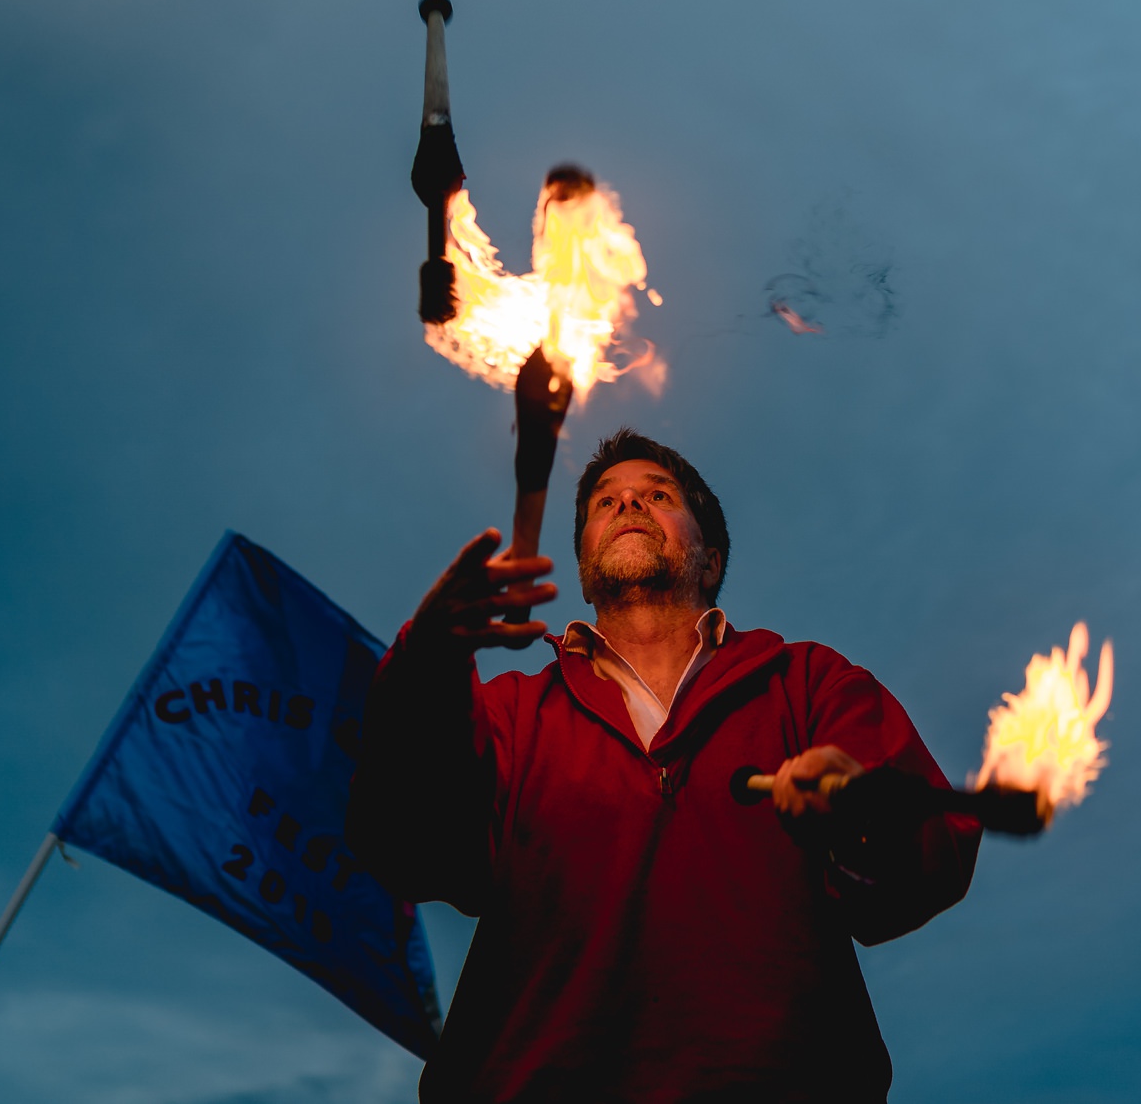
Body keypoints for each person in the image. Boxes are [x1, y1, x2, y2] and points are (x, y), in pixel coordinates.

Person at [348, 429, 980, 1103]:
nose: (628, 505)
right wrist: (426, 661)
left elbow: (929, 858)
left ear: (710, 561)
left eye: (658, 496)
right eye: (605, 501)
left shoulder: (809, 684)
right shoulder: (507, 713)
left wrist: (858, 822)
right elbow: (406, 848)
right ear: (584, 568)